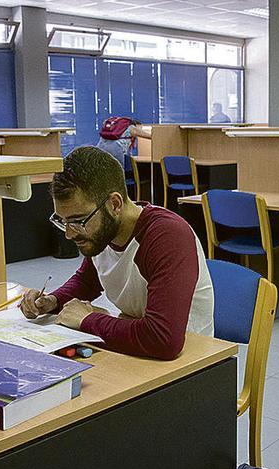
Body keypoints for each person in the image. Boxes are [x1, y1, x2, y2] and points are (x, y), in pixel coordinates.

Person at [20, 146, 214, 360]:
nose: (68, 234)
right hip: (139, 347)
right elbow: (87, 281)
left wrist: (88, 320)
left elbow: (163, 339)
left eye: (78, 221)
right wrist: (53, 301)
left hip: (190, 362)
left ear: (114, 204)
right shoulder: (102, 233)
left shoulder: (167, 236)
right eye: (63, 221)